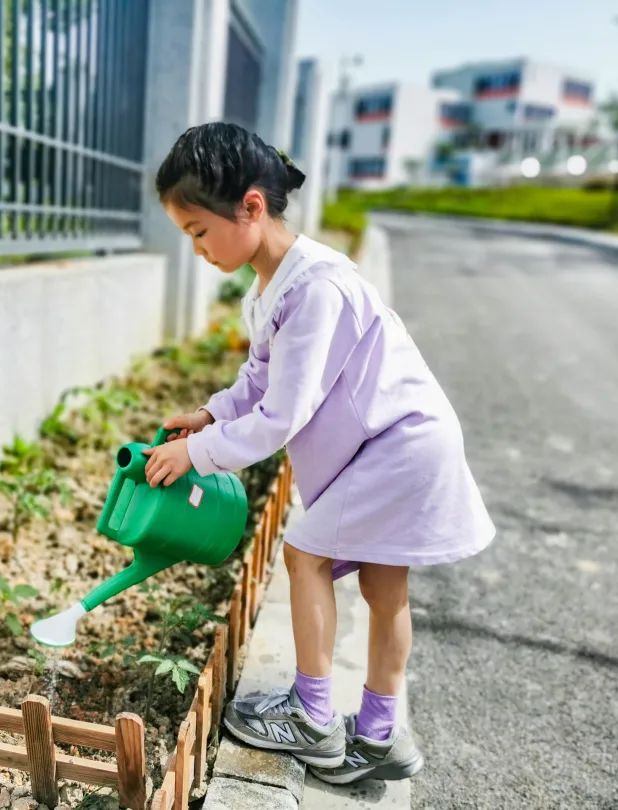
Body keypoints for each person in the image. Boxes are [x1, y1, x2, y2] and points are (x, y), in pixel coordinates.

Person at [141, 122, 495, 785]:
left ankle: (310, 717)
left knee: (307, 555)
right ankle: (380, 736)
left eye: (197, 232)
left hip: (399, 448)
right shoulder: (274, 284)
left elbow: (282, 413)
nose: (197, 250)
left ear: (250, 206)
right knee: (384, 587)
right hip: (405, 440)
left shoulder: (315, 289)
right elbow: (259, 381)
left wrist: (200, 454)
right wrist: (212, 414)